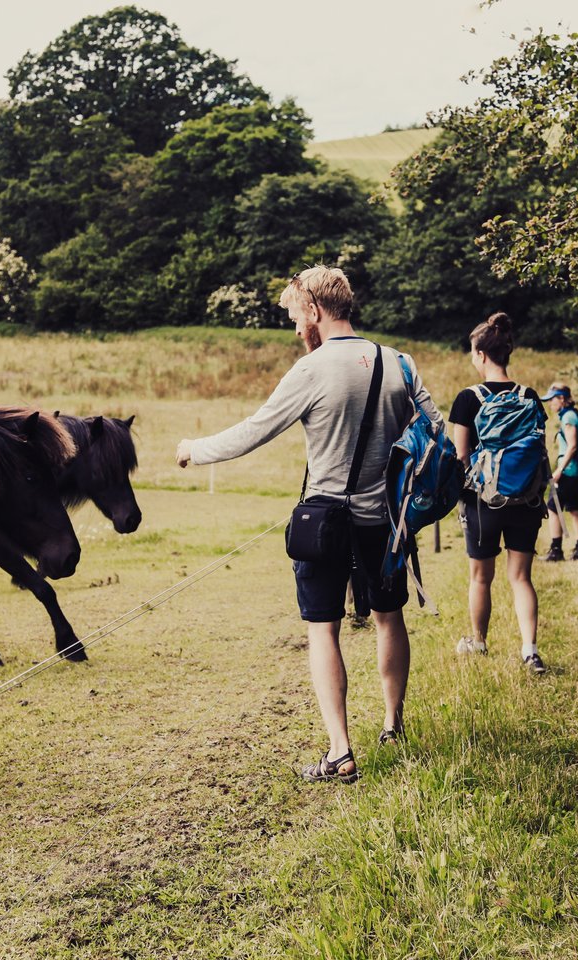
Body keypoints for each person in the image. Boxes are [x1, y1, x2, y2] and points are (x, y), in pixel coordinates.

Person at [175, 265, 443, 784]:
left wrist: (194, 450)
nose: (297, 329)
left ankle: (340, 751)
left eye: (298, 317)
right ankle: (393, 725)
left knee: (323, 630)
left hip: (325, 520)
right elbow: (432, 429)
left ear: (316, 310)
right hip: (385, 522)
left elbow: (254, 431)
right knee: (390, 617)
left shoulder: (313, 369)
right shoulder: (400, 363)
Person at [447, 313, 548, 675]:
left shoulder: (467, 399)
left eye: (473, 353)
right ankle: (530, 650)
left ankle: (479, 642)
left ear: (482, 354)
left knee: (480, 577)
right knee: (521, 577)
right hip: (526, 498)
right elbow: (539, 449)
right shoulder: (530, 396)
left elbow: (460, 456)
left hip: (482, 501)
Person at [543, 383, 578, 562]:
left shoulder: (568, 417)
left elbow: (573, 445)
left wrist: (560, 470)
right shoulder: (572, 414)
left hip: (570, 471)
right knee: (575, 508)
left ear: (562, 399)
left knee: (553, 508)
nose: (550, 404)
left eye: (552, 399)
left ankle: (556, 550)